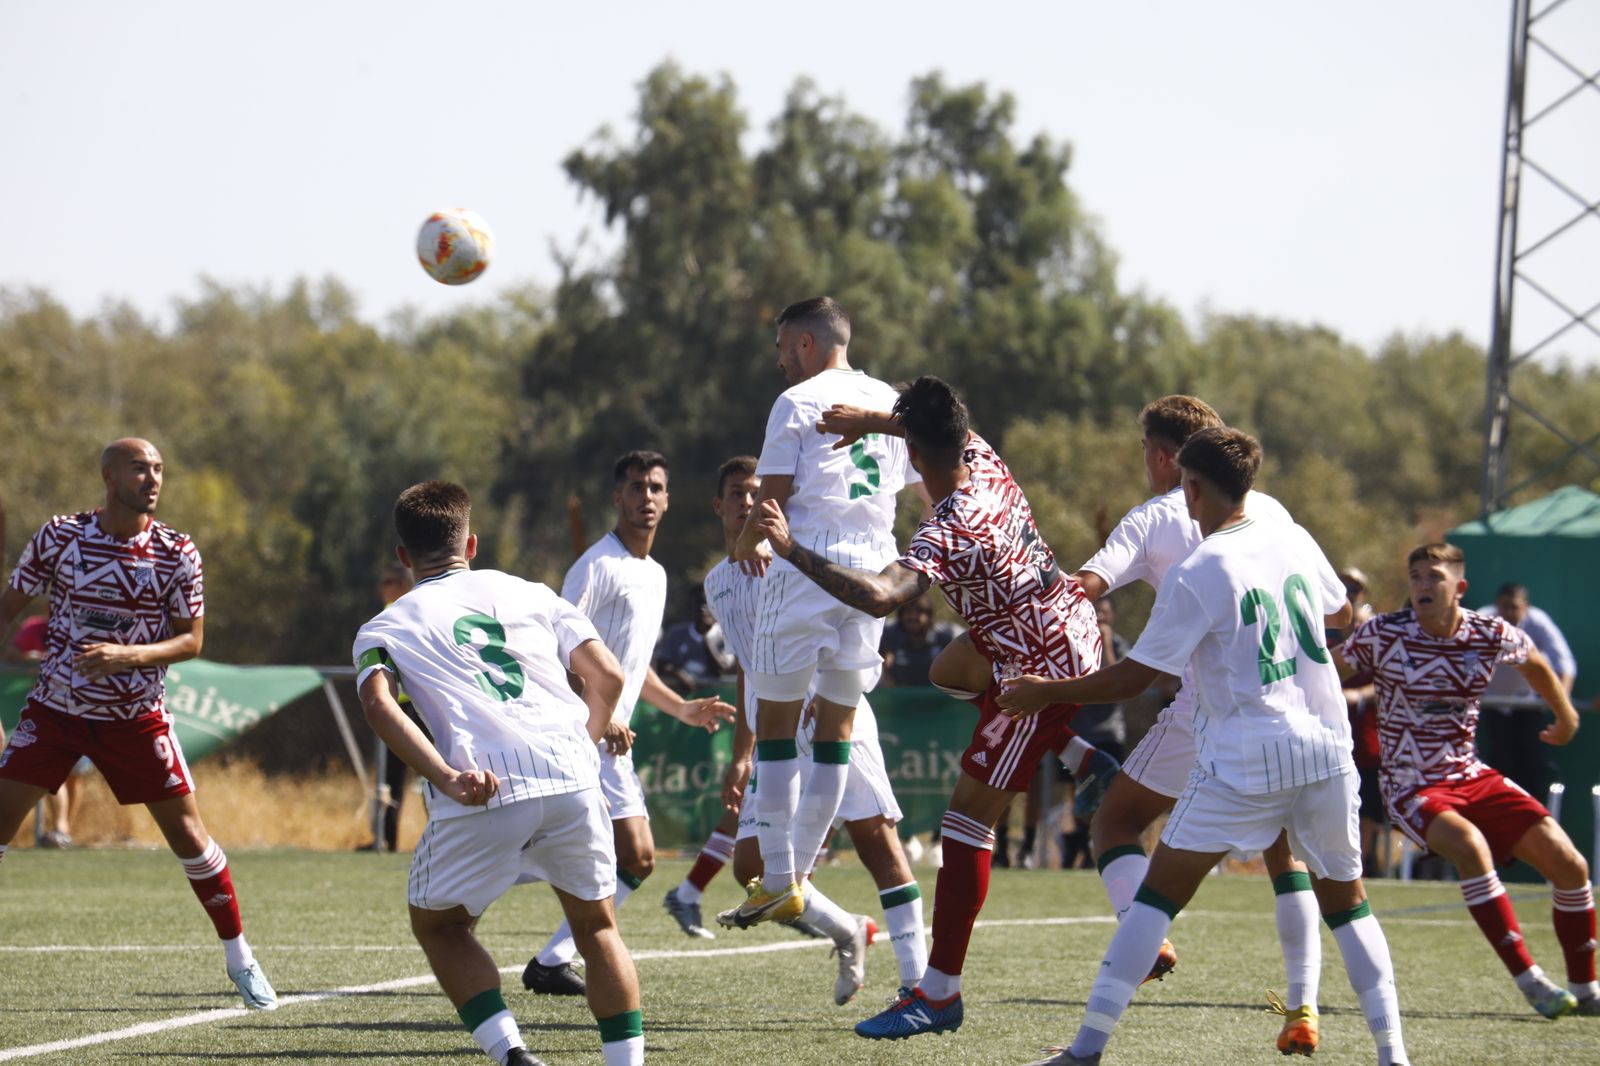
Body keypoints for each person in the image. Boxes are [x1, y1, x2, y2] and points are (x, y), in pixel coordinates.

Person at [999, 427, 1409, 1066]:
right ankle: (1393, 1055)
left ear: (1193, 486)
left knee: (1155, 899)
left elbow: (1135, 676)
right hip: (1328, 748)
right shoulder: (1289, 532)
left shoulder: (1202, 568)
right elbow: (1343, 616)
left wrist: (1044, 692)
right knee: (1349, 906)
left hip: (1248, 756)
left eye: (1185, 488)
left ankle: (1085, 1051)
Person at [756, 376, 1116, 1040]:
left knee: (964, 827)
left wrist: (791, 550)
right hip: (1069, 619)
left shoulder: (948, 527)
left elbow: (881, 598)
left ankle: (939, 993)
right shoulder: (982, 457)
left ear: (915, 457)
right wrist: (874, 420)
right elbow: (934, 432)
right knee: (950, 668)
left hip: (1037, 670)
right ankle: (1080, 753)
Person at [1060, 395, 1327, 1054]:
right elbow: (1334, 610)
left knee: (1116, 824)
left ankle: (1134, 952)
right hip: (1292, 706)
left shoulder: (1153, 517)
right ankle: (1306, 1007)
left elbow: (1089, 587)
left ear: (1162, 455)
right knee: (1286, 856)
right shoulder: (1270, 510)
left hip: (1206, 709)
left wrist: (1019, 597)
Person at [353, 480, 642, 1066]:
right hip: (572, 777)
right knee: (596, 926)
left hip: (485, 788)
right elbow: (607, 677)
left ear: (405, 556)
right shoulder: (529, 591)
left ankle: (512, 1054)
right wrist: (579, 746)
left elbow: (380, 706)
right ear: (473, 543)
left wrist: (446, 776)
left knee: (440, 927)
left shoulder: (383, 626)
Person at [0, 438, 276, 1010]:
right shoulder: (60, 536)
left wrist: (128, 657)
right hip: (55, 712)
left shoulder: (178, 551)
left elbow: (192, 640)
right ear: (108, 475)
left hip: (135, 719)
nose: (152, 478)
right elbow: (7, 609)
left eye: (158, 469)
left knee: (190, 838)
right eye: (139, 468)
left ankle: (241, 958)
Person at [680, 455, 928, 1004]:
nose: (748, 502)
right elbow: (751, 662)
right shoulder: (719, 583)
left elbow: (835, 625)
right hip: (773, 730)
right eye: (736, 494)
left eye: (756, 492)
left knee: (878, 842)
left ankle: (918, 982)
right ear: (719, 505)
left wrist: (824, 692)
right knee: (750, 864)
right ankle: (850, 931)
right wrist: (741, 753)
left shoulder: (788, 562)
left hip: (830, 717)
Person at [728, 296, 927, 930]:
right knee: (837, 736)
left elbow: (770, 511)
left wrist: (740, 548)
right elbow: (921, 491)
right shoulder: (893, 406)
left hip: (807, 571)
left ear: (808, 344)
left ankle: (782, 880)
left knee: (779, 734)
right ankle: (794, 878)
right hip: (870, 578)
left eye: (784, 346)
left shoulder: (796, 401)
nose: (780, 359)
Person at [1337, 543, 1595, 1018]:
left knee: (1571, 866)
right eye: (1414, 576)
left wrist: (1565, 717)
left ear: (1460, 586)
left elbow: (1535, 662)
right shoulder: (1384, 633)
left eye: (1433, 576)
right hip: (1410, 784)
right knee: (1471, 846)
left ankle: (1587, 989)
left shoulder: (1488, 631)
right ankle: (1530, 980)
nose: (1421, 586)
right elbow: (1328, 670)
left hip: (1470, 773)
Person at [523, 451, 734, 996]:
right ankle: (553, 956)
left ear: (667, 499)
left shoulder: (656, 574)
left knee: (625, 859)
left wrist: (682, 708)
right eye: (636, 486)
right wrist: (601, 713)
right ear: (617, 497)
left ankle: (552, 959)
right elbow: (553, 653)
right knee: (634, 857)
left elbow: (631, 668)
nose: (646, 497)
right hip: (580, 737)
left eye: (656, 487)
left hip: (608, 741)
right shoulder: (595, 566)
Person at [1478, 582, 1578, 801]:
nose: (1510, 613)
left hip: (1528, 704)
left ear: (1526, 607)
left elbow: (1564, 664)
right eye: (1505, 607)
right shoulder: (1481, 621)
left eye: (1515, 607)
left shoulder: (1538, 623)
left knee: (1531, 764)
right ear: (1496, 607)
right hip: (1493, 705)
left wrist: (1563, 707)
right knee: (1501, 763)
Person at [1057, 597, 1129, 869]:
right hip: (1075, 732)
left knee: (1106, 792)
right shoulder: (1075, 640)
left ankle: (1095, 846)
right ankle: (1077, 843)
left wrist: (1106, 642)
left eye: (1105, 612)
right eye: (1095, 611)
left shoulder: (1120, 645)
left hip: (1107, 734)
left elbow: (1116, 682)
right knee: (1075, 793)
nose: (1100, 616)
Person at [361, 562, 417, 852]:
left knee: (398, 778)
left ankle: (386, 841)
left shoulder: (396, 612)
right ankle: (385, 840)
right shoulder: (412, 609)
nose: (382, 587)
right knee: (391, 779)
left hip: (410, 708)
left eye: (388, 581)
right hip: (405, 706)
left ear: (403, 583)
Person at [652, 585, 734, 697]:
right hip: (679, 700)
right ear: (691, 606)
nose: (703, 608)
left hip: (715, 700)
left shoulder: (726, 635)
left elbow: (723, 669)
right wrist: (679, 674)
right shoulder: (676, 633)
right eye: (699, 604)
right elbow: (662, 664)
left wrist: (706, 638)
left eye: (707, 604)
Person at [878, 599, 960, 687]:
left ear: (929, 616)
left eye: (919, 612)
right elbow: (874, 654)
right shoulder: (889, 632)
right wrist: (885, 678)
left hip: (939, 695)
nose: (913, 617)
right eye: (908, 612)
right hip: (900, 694)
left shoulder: (946, 635)